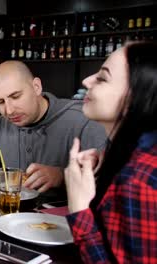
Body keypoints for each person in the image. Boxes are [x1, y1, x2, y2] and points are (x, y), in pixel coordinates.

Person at [65, 42, 157, 263]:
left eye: (102, 78)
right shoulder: (132, 154)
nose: (86, 81)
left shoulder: (138, 179)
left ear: (135, 98)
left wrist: (79, 210)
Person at [0, 60, 106, 193]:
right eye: (0, 102)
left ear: (36, 87)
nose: (9, 111)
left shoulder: (84, 119)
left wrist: (61, 176)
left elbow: (111, 187)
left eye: (16, 96)